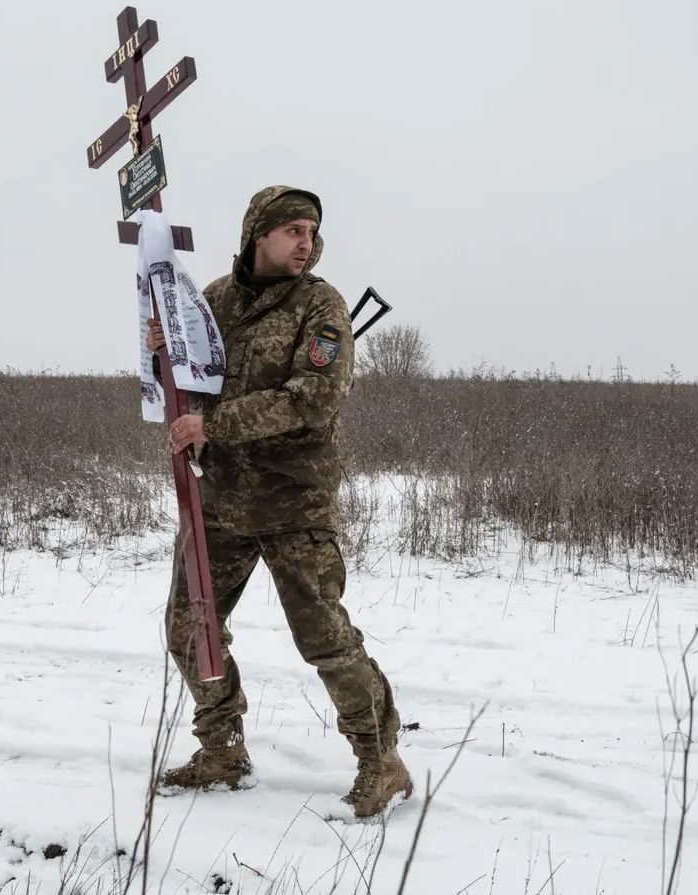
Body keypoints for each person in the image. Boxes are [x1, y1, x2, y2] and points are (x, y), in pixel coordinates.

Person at [143, 185, 410, 818]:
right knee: (189, 627)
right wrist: (161, 355)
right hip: (224, 500)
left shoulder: (321, 306)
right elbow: (188, 380)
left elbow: (314, 397)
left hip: (294, 500)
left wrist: (217, 426)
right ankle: (222, 749)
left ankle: (382, 761)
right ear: (257, 235)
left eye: (312, 232)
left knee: (324, 638)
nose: (306, 243)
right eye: (293, 230)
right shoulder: (213, 300)